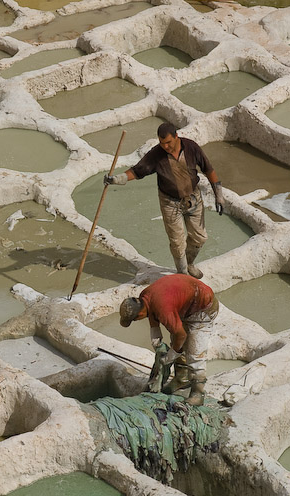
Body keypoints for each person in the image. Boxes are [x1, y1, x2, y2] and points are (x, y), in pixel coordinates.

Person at [104, 122, 225, 279]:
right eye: (162, 143)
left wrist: (219, 196)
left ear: (176, 137)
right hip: (170, 202)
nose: (165, 146)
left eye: (168, 142)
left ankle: (189, 264)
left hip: (193, 198)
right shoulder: (156, 154)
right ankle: (182, 273)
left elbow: (208, 169)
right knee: (177, 241)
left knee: (200, 237)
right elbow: (137, 171)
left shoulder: (191, 147)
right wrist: (117, 179)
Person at [119, 273, 219, 405]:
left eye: (135, 319)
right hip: (186, 304)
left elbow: (181, 335)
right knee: (176, 340)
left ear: (140, 313)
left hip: (203, 307)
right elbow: (154, 321)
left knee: (194, 351)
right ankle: (181, 379)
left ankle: (197, 393)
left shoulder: (162, 308)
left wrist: (169, 357)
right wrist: (158, 345)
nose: (137, 321)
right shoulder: (145, 297)